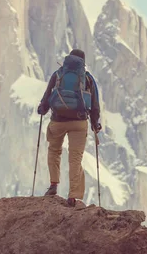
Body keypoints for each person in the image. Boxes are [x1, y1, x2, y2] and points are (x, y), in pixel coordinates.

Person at [37, 48, 102, 207]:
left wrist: (42, 109)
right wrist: (95, 123)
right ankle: (73, 196)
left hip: (58, 120)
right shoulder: (87, 78)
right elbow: (95, 105)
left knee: (54, 150)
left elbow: (46, 97)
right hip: (79, 123)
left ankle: (53, 185)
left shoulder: (58, 74)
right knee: (75, 158)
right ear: (83, 63)